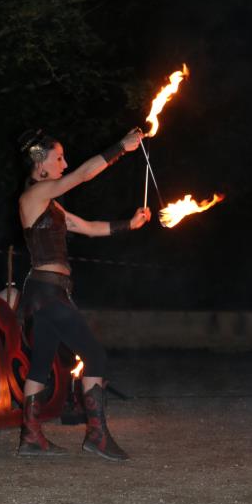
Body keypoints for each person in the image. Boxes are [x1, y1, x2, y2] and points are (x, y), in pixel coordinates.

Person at [17, 127, 151, 461]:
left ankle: (31, 437)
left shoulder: (50, 205)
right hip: (47, 292)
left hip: (46, 292)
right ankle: (97, 437)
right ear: (40, 164)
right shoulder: (33, 196)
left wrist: (128, 225)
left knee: (40, 364)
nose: (64, 163)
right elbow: (82, 175)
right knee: (96, 357)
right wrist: (121, 147)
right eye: (58, 157)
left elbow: (88, 227)